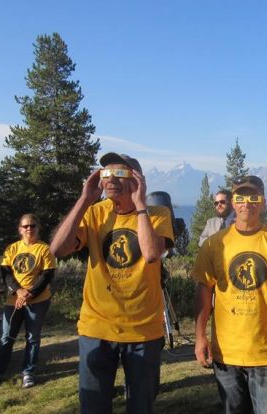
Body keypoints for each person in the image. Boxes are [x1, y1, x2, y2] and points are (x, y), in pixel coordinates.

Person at [50, 153, 174, 414]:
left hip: (143, 330)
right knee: (93, 406)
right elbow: (58, 249)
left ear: (137, 181)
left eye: (120, 173)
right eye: (106, 173)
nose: (110, 179)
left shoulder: (157, 214)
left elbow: (152, 254)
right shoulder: (95, 212)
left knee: (141, 406)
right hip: (97, 326)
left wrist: (140, 206)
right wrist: (84, 199)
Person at [193, 175, 267, 413]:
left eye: (254, 197)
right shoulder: (215, 244)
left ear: (263, 202)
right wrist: (200, 335)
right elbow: (204, 289)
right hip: (226, 351)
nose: (247, 202)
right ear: (233, 201)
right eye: (241, 197)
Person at [0, 214, 56, 390]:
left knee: (32, 338)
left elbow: (47, 275)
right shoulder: (12, 248)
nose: (29, 229)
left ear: (38, 228)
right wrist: (18, 291)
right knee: (6, 337)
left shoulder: (45, 249)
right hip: (13, 301)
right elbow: (5, 272)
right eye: (26, 226)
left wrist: (29, 294)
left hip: (38, 301)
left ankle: (28, 373)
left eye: (33, 226)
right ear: (20, 229)